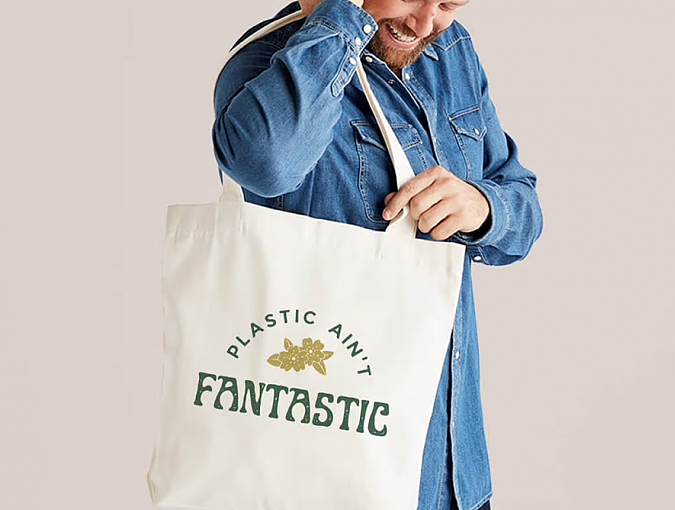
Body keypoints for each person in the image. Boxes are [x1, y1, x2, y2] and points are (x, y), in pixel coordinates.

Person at [212, 0, 544, 508]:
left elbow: (522, 209)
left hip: (453, 472)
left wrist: (481, 206)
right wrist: (339, 19)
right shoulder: (270, 62)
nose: (425, 23)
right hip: (328, 479)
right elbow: (265, 164)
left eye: (448, 4)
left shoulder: (452, 52)